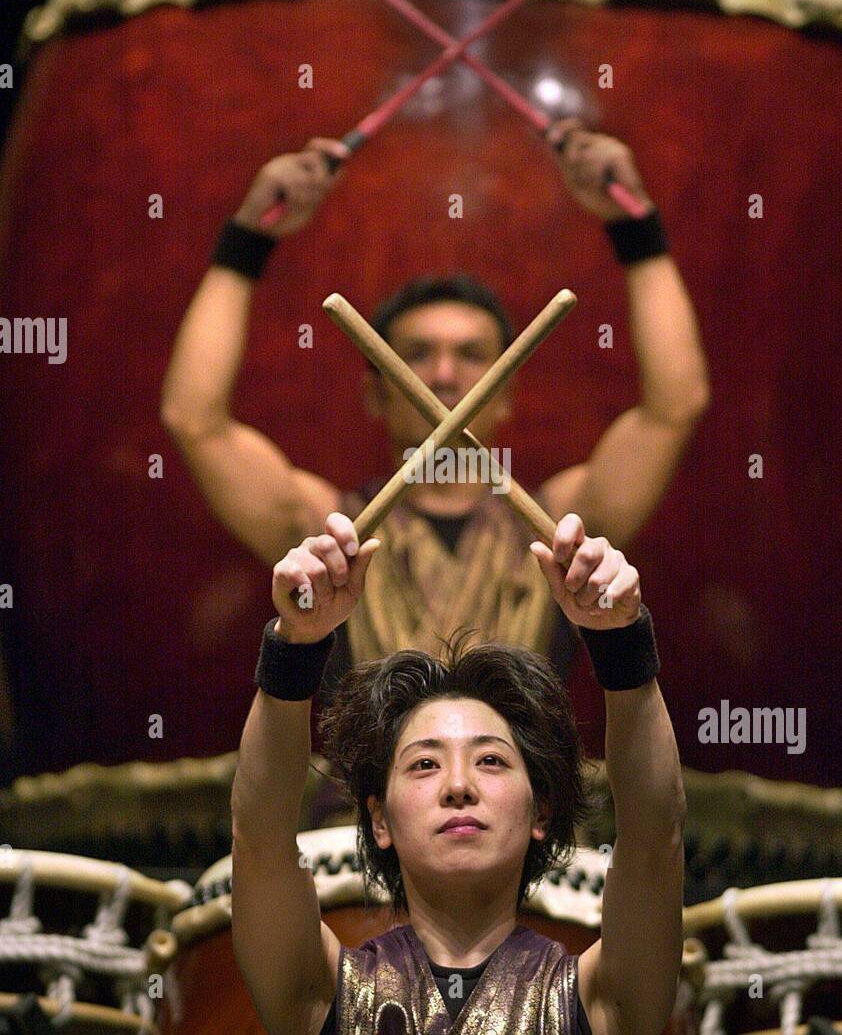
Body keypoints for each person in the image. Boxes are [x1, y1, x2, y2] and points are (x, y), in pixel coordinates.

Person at [160, 123, 710, 696]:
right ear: (375, 394)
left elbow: (675, 405)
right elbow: (195, 420)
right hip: (367, 791)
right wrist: (248, 235)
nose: (445, 375)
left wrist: (635, 223)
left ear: (508, 394)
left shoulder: (562, 529)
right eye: (415, 355)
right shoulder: (326, 532)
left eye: (474, 356)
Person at [230, 508, 685, 1035]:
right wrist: (298, 645)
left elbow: (655, 838)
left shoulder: (600, 1004)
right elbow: (259, 838)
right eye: (424, 765)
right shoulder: (319, 993)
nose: (459, 786)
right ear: (379, 822)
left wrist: (619, 640)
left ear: (542, 809)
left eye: (492, 761)